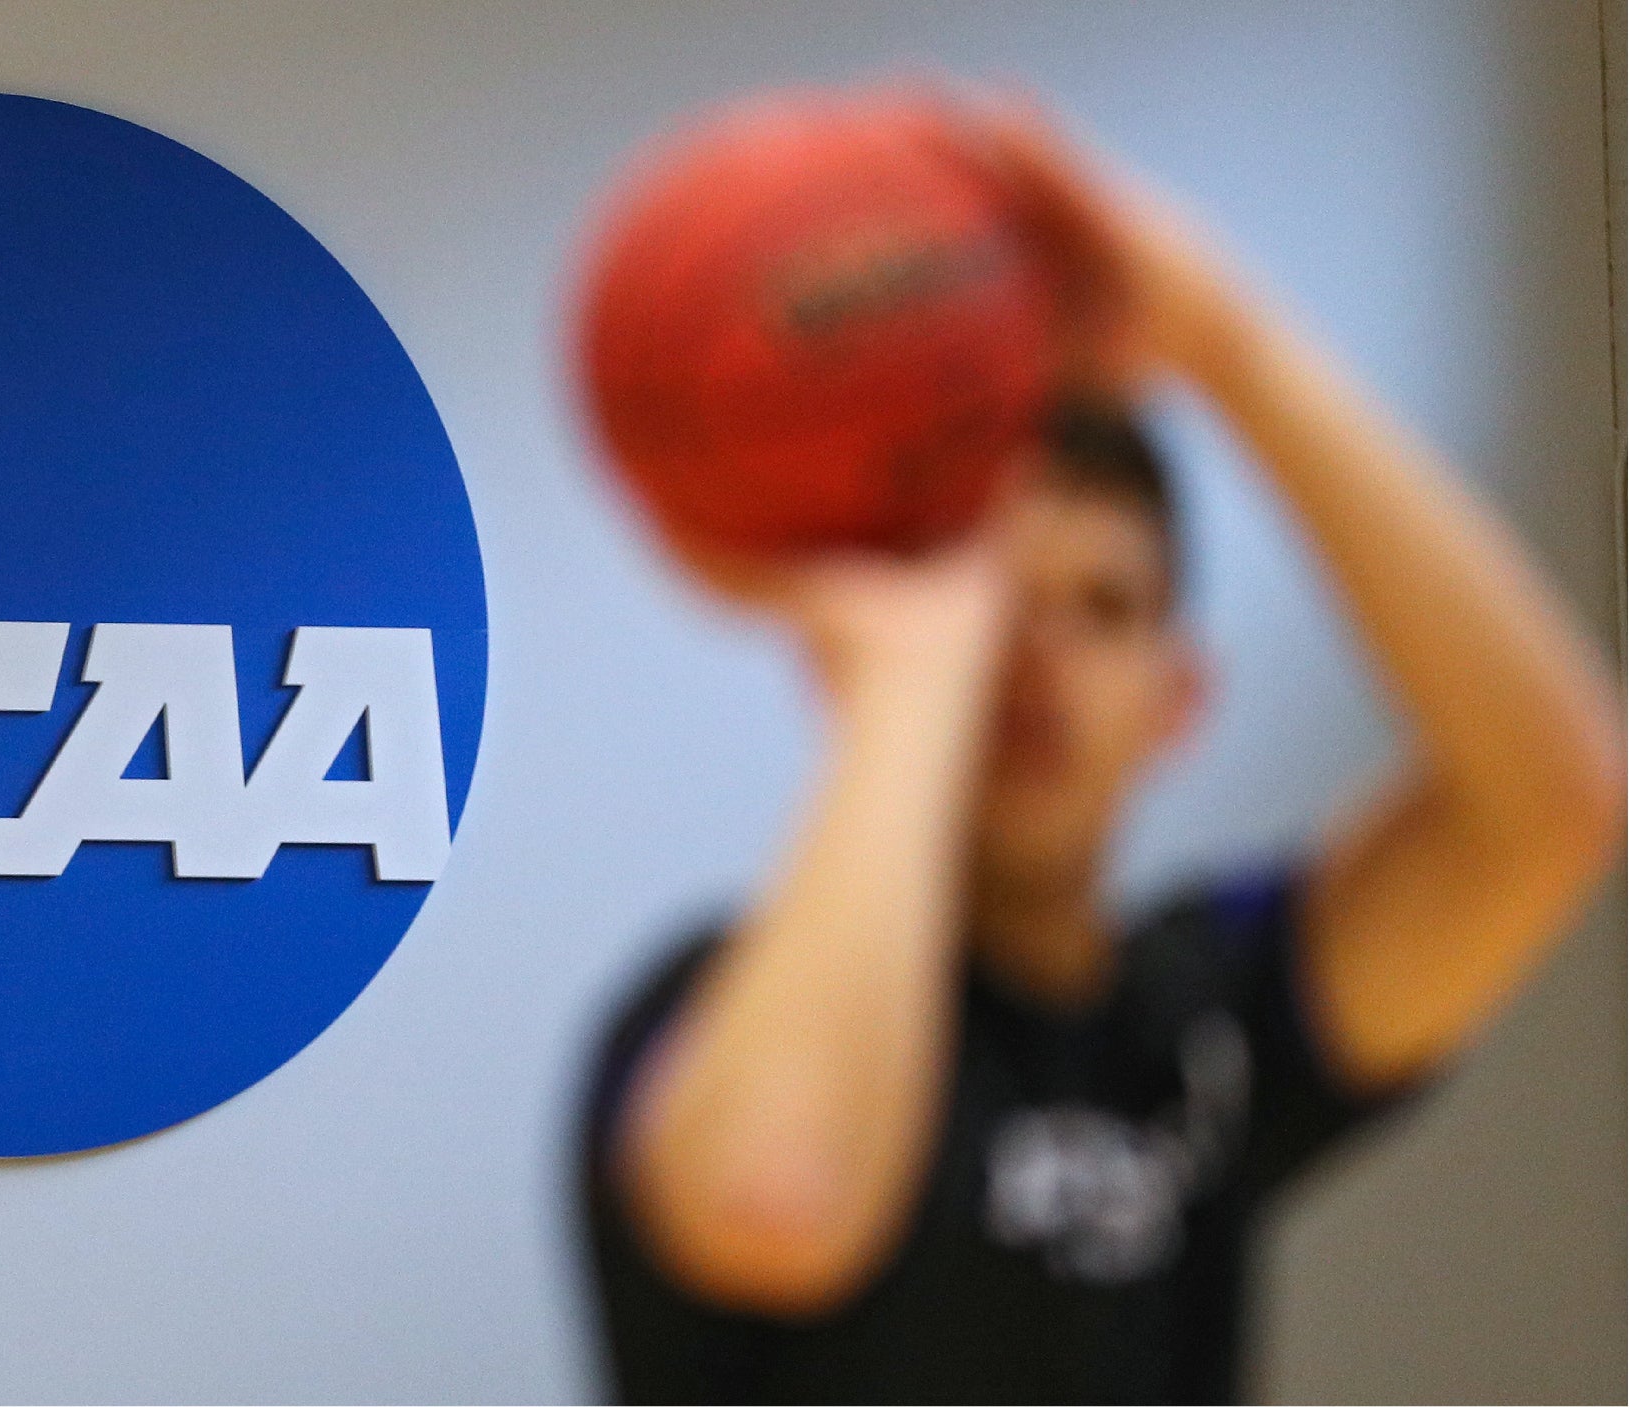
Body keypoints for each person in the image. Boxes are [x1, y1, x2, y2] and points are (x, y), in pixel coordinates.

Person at [578, 96, 1624, 1405]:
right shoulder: (701, 1016)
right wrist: (913, 660)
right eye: (999, 609)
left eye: (1105, 610)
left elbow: (1555, 803)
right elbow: (780, 1195)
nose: (1040, 658)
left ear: (1179, 700)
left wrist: (1230, 344)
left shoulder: (1200, 1019)